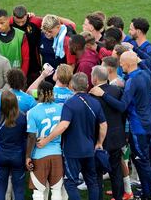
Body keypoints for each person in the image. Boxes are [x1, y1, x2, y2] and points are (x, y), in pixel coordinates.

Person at [89, 51, 151, 200]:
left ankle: (149, 195)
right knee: (144, 160)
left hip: (138, 127)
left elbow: (122, 106)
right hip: (149, 123)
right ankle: (147, 192)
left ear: (127, 64)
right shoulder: (144, 74)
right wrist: (140, 61)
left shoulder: (132, 82)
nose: (120, 65)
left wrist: (103, 95)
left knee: (142, 162)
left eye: (122, 63)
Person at [37, 72, 107, 200]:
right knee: (92, 182)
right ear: (86, 85)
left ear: (72, 86)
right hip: (89, 150)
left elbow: (63, 125)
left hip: (72, 151)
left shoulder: (70, 104)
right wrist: (99, 142)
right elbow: (103, 125)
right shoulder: (95, 102)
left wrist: (46, 140)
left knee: (70, 182)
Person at [129, 18, 151, 179]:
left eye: (131, 29)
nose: (130, 32)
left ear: (139, 31)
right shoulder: (134, 44)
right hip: (144, 95)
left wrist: (135, 51)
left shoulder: (150, 49)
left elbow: (149, 65)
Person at [90, 66, 126, 200]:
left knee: (97, 173)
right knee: (116, 171)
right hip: (117, 137)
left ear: (94, 79)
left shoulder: (92, 95)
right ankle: (119, 197)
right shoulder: (117, 90)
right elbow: (123, 112)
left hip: (100, 140)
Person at [26, 81, 64, 200]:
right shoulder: (60, 109)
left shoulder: (32, 111)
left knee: (38, 192)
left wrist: (27, 156)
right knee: (57, 191)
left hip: (40, 154)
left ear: (40, 93)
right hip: (57, 153)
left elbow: (32, 136)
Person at [0, 90, 27, 200]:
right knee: (18, 190)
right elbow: (26, 136)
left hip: (1, 155)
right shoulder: (22, 118)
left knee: (1, 189)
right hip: (18, 156)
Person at [0, 9, 30, 76]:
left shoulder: (21, 35)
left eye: (2, 23)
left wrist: (22, 76)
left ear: (8, 20)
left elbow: (26, 59)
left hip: (16, 75)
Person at [11, 5, 42, 85]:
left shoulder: (35, 21)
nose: (21, 24)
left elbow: (52, 22)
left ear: (26, 15)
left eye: (23, 21)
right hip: (16, 65)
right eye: (18, 22)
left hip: (34, 65)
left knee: (35, 93)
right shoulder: (9, 23)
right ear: (13, 16)